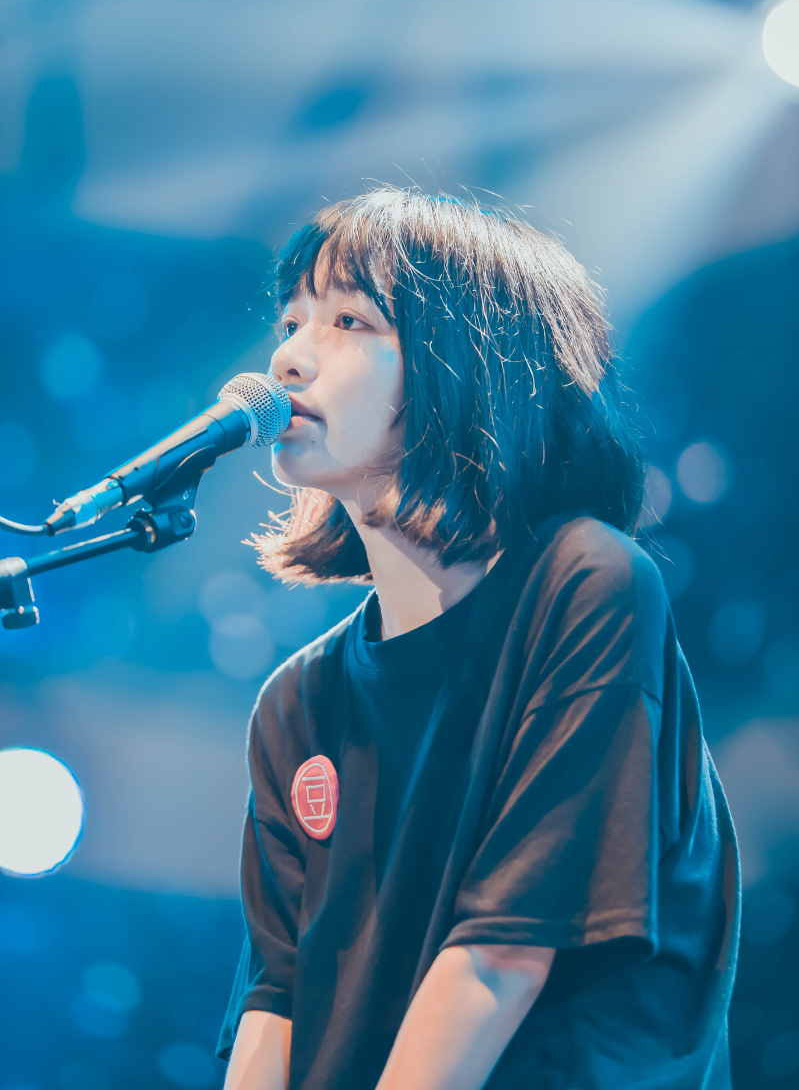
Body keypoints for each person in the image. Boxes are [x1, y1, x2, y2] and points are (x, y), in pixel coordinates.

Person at [216, 188, 740, 1090]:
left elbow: (501, 957)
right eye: (290, 322)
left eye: (348, 320)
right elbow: (277, 998)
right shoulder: (298, 701)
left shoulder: (586, 583)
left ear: (461, 364)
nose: (288, 357)